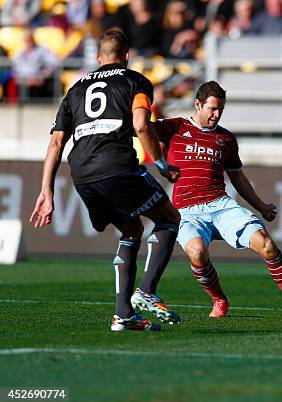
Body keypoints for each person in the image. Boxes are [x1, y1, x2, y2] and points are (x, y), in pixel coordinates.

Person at [30, 29, 182, 332]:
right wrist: (163, 163)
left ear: (99, 58)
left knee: (132, 228)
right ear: (126, 56)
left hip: (82, 174)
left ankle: (123, 315)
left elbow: (56, 143)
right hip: (116, 166)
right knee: (168, 218)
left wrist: (46, 191)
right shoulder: (135, 80)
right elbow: (141, 124)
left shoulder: (73, 90)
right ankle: (147, 292)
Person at [153, 80, 282, 319]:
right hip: (186, 211)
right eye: (212, 109)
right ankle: (219, 299)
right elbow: (140, 128)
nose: (217, 114)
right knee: (197, 252)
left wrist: (261, 207)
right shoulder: (175, 127)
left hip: (220, 205)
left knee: (266, 244)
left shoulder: (226, 139)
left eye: (221, 109)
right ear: (198, 104)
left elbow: (239, 179)